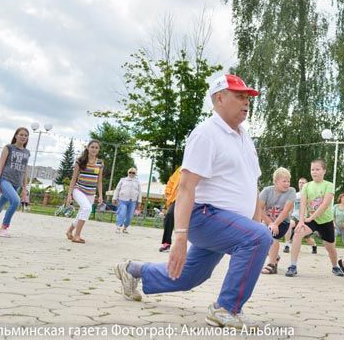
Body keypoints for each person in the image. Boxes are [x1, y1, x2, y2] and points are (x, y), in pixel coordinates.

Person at [113, 74, 272, 329]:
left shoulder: (245, 137)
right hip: (204, 216)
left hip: (229, 223)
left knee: (187, 277)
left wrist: (252, 223)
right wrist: (179, 238)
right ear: (219, 98)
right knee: (259, 237)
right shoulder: (206, 134)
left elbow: (252, 185)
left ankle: (133, 270)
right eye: (239, 96)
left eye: (248, 98)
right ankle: (226, 309)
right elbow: (186, 187)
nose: (246, 103)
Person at [285, 159, 344, 277]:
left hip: (325, 221)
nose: (314, 172)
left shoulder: (329, 185)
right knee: (297, 233)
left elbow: (324, 205)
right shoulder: (306, 186)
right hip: (310, 220)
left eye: (317, 169)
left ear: (324, 171)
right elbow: (302, 204)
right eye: (312, 169)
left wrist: (310, 218)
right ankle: (293, 265)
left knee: (330, 247)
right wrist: (301, 221)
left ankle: (335, 266)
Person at [0, 127, 30, 237]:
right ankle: (4, 228)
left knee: (0, 205)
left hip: (17, 183)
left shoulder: (27, 152)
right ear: (16, 136)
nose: (23, 137)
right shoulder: (8, 148)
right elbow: (0, 165)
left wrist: (24, 188)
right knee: (15, 201)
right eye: (21, 134)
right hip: (5, 180)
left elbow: (25, 170)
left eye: (26, 135)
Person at [65, 140, 104, 244]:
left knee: (83, 212)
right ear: (88, 148)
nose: (94, 149)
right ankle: (77, 236)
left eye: (96, 147)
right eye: (92, 147)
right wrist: (69, 195)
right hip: (79, 190)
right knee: (87, 208)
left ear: (98, 149)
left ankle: (69, 231)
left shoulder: (100, 163)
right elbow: (73, 179)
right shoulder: (80, 160)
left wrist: (100, 195)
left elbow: (99, 181)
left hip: (91, 193)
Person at [258, 167, 296, 275]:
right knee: (261, 241)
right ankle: (274, 256)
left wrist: (275, 224)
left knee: (273, 237)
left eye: (288, 181)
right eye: (284, 181)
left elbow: (286, 211)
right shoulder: (267, 191)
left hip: (283, 222)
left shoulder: (291, 191)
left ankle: (272, 265)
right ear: (275, 182)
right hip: (268, 221)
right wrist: (270, 223)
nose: (287, 183)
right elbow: (259, 208)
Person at [283, 177, 317, 254]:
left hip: (305, 218)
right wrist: (289, 215)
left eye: (303, 183)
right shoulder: (295, 195)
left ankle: (314, 246)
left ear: (307, 185)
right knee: (289, 224)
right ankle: (287, 245)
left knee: (307, 238)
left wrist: (311, 218)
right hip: (295, 216)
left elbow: (312, 208)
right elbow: (291, 207)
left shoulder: (310, 195)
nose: (301, 184)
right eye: (300, 182)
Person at [113, 167, 142, 234]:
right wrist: (114, 198)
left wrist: (139, 201)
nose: (131, 174)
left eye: (133, 173)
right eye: (130, 172)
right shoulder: (123, 180)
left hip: (133, 201)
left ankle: (125, 228)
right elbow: (117, 189)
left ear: (135, 174)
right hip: (122, 200)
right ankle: (118, 227)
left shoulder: (137, 182)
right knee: (122, 213)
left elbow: (140, 192)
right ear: (128, 173)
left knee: (129, 216)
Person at [159, 166, 181, 252]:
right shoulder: (180, 169)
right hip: (177, 198)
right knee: (169, 215)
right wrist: (168, 192)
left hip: (194, 199)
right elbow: (171, 181)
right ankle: (167, 243)